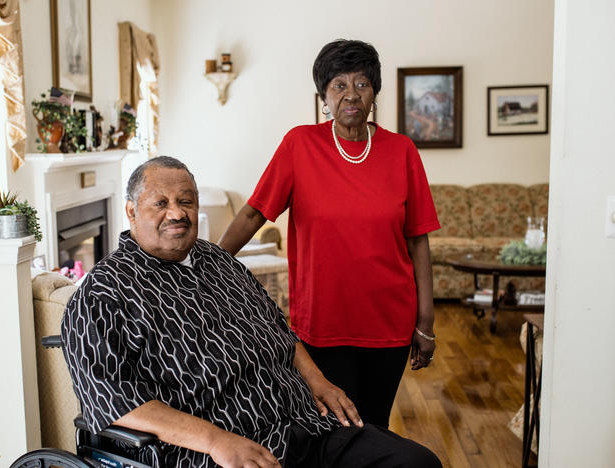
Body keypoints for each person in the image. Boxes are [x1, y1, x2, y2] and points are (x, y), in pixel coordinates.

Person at [61, 156, 441, 468]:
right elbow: (109, 398)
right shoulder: (103, 292)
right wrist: (217, 441)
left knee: (416, 463)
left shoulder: (220, 261)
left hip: (306, 425)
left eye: (186, 202)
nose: (176, 213)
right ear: (131, 211)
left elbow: (280, 332)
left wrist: (319, 381)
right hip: (220, 451)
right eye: (160, 203)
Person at [219, 39, 440, 429]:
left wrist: (426, 322)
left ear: (375, 92)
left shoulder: (401, 151)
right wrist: (209, 265)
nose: (351, 94)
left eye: (362, 84)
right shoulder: (300, 145)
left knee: (375, 426)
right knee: (333, 430)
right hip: (323, 323)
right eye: (339, 85)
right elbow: (254, 213)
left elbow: (417, 238)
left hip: (388, 323)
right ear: (323, 95)